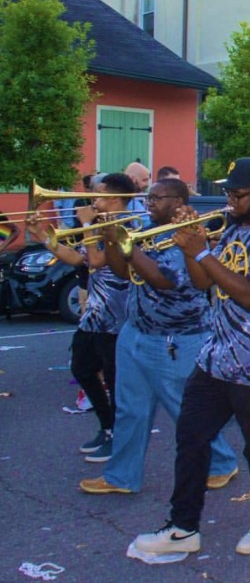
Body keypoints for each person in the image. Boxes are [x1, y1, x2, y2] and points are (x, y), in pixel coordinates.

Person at [132, 158, 250, 557]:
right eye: (227, 193)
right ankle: (183, 526)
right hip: (215, 355)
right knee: (191, 437)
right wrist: (191, 246)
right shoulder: (231, 229)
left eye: (237, 194)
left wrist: (203, 251)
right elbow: (201, 281)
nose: (230, 201)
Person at [79, 177, 238, 494]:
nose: (148, 203)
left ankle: (221, 463)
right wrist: (112, 240)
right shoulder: (146, 231)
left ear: (177, 202)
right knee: (129, 410)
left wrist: (128, 245)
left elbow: (164, 279)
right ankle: (121, 476)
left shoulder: (185, 235)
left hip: (175, 338)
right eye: (148, 198)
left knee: (184, 409)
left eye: (156, 198)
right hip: (136, 330)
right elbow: (123, 272)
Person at [26, 173, 135, 462]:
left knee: (114, 379)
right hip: (95, 315)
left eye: (98, 195)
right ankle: (107, 426)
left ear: (115, 198)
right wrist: (42, 237)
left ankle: (119, 436)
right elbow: (78, 259)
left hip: (116, 317)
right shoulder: (98, 224)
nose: (92, 200)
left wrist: (86, 224)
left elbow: (97, 260)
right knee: (82, 368)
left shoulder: (124, 226)